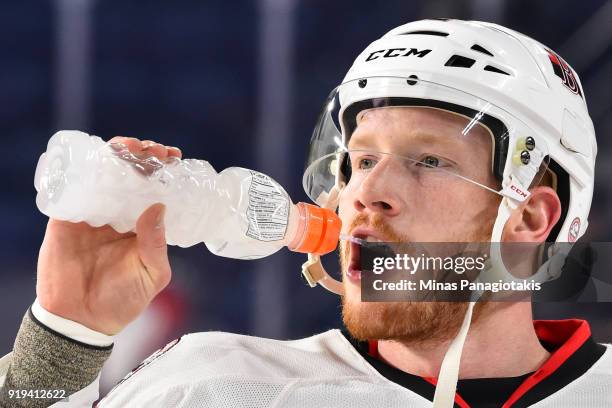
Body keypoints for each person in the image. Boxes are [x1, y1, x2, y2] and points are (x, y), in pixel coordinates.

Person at [1, 18, 610, 408]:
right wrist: (64, 338)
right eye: (361, 159)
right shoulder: (212, 387)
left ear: (531, 219)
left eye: (429, 161)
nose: (367, 192)